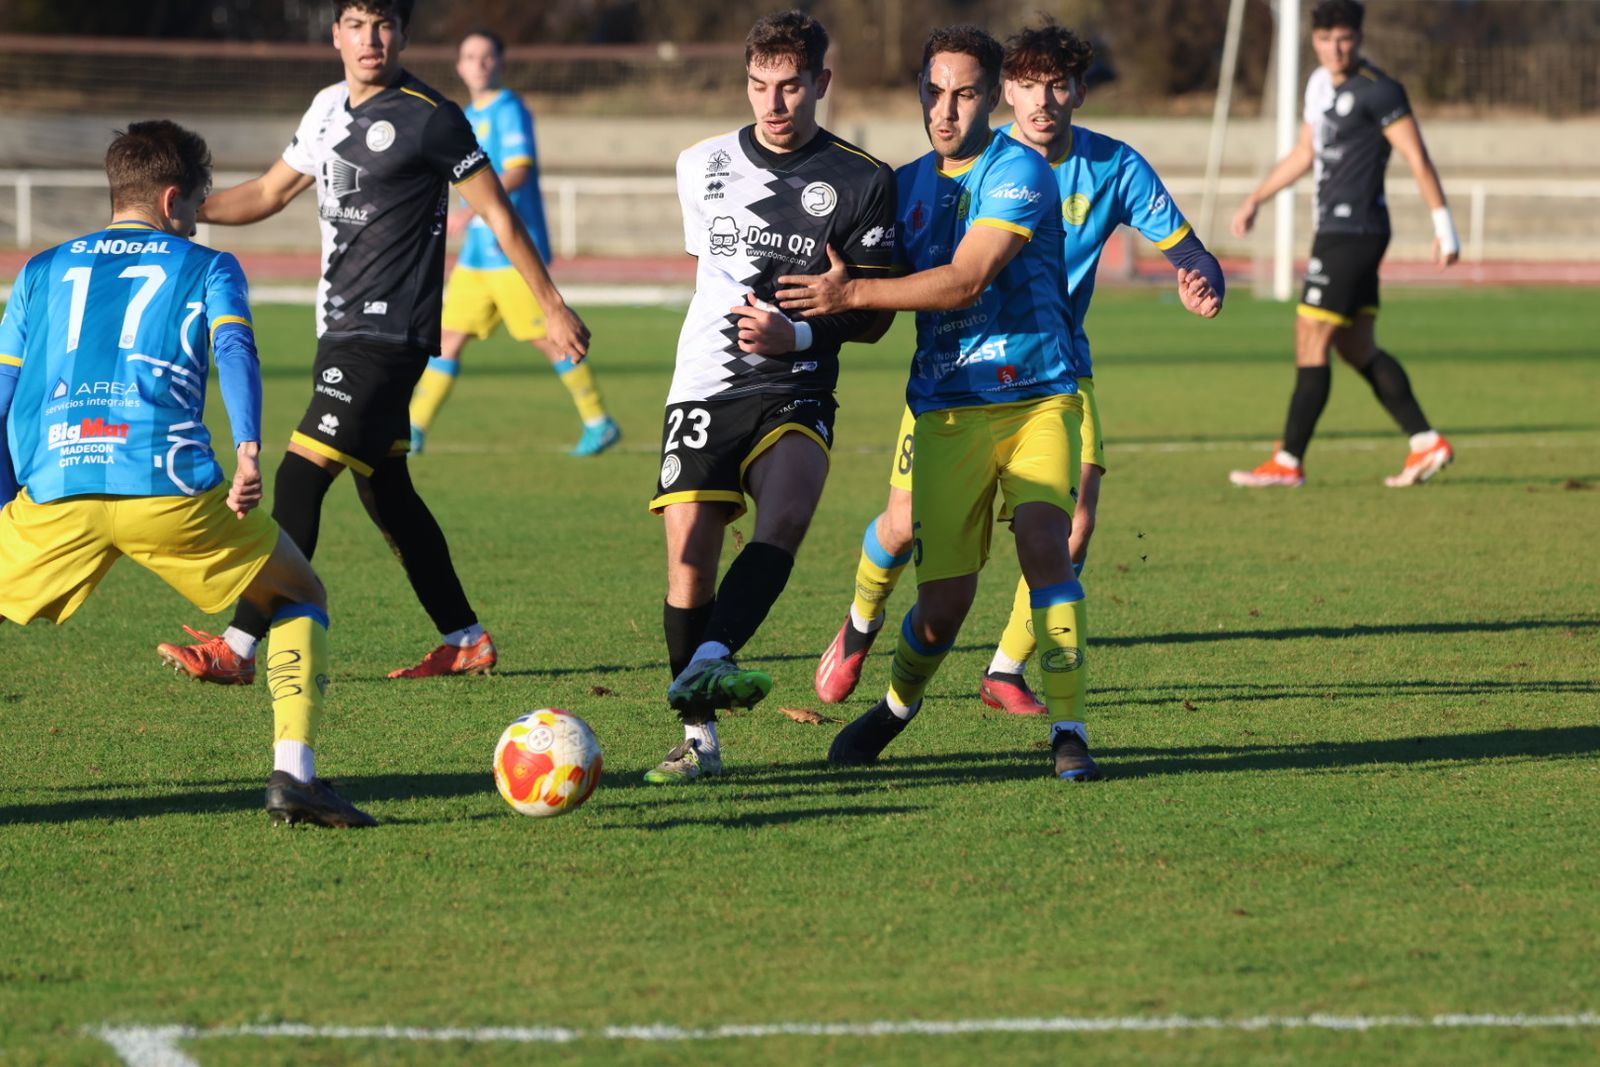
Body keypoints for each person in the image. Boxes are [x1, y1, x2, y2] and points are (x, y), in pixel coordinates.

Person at [156, 0, 590, 685]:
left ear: (404, 35)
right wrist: (182, 212)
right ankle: (465, 637)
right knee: (387, 492)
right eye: (357, 24)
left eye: (385, 24)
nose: (371, 39)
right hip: (341, 331)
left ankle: (237, 647)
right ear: (335, 34)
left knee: (301, 474)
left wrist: (553, 305)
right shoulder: (327, 106)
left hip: (389, 333)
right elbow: (271, 192)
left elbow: (499, 215)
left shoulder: (433, 116)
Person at [811, 18, 1224, 714]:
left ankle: (1005, 668)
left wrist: (1200, 278)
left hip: (1054, 372)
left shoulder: (1112, 168)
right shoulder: (949, 172)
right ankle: (859, 622)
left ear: (1079, 92)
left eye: (1056, 85)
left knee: (1072, 530)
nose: (1042, 101)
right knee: (902, 523)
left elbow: (1190, 250)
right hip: (951, 381)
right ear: (1008, 90)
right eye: (1028, 85)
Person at [0, 121, 372, 827]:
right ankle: (294, 777)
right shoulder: (207, 266)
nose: (199, 223)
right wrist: (251, 450)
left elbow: (1, 399)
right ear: (175, 201)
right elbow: (234, 350)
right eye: (197, 209)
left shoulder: (40, 270)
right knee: (299, 591)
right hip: (164, 487)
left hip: (53, 491)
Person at [777, 25, 1098, 780]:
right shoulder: (902, 185)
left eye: (964, 94)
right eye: (934, 92)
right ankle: (896, 704)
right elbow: (876, 313)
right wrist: (796, 324)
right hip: (945, 409)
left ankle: (1069, 728)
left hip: (1037, 399)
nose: (945, 109)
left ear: (992, 98)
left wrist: (848, 289)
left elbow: (965, 279)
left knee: (1049, 542)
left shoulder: (1021, 170)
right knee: (943, 607)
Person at [644, 9, 898, 783]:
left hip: (797, 380)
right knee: (688, 566)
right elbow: (713, 276)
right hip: (704, 382)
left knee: (785, 515)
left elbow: (880, 314)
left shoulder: (863, 180)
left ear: (822, 82)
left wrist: (801, 336)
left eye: (791, 87)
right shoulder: (702, 163)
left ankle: (716, 655)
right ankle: (699, 740)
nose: (774, 104)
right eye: (759, 86)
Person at [1229, 0, 1456, 489]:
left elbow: (1418, 157)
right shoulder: (1316, 86)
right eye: (1326, 38)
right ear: (1314, 40)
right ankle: (1425, 441)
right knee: (1356, 345)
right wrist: (1256, 198)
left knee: (1309, 335)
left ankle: (1289, 460)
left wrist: (1445, 226)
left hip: (1354, 232)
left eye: (1345, 38)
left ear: (1359, 37)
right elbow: (1306, 153)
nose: (1336, 48)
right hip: (1334, 229)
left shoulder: (1381, 92)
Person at [408, 28, 620, 458]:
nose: (479, 63)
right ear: (459, 66)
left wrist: (471, 211)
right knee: (446, 339)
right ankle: (413, 430)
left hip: (512, 256)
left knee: (551, 340)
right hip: (475, 260)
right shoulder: (465, 113)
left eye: (487, 56)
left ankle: (599, 421)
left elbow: (519, 169)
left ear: (500, 63)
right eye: (470, 56)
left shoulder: (510, 109)